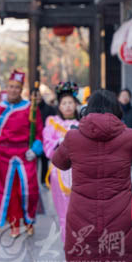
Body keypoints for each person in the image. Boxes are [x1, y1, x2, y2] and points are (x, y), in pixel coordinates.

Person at [52, 90, 132, 262]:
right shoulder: (129, 137)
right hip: (121, 219)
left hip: (83, 220)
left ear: (86, 110)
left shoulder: (73, 137)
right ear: (117, 109)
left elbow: (59, 161)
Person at [0, 70, 43, 238]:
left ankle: (29, 221)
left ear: (21, 89)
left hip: (25, 154)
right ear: (6, 88)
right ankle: (14, 224)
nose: (13, 90)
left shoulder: (31, 108)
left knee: (28, 190)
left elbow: (39, 134)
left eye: (17, 87)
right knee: (10, 192)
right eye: (11, 87)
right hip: (5, 155)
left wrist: (34, 150)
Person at [43, 82, 79, 243]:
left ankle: (81, 242)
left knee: (79, 210)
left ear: (76, 104)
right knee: (63, 211)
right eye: (64, 103)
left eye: (71, 102)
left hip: (79, 171)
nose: (68, 106)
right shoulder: (52, 122)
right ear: (59, 105)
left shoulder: (83, 123)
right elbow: (47, 145)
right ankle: (68, 243)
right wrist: (60, 140)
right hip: (59, 171)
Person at [32, 87, 57, 185]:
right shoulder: (29, 109)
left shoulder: (48, 108)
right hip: (33, 139)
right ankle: (33, 180)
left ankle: (44, 180)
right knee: (33, 162)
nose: (36, 97)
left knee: (44, 161)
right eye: (34, 96)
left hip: (44, 138)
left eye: (38, 95)